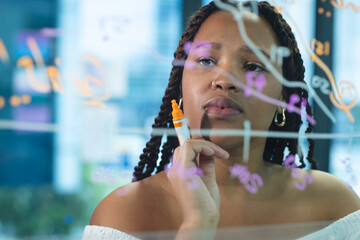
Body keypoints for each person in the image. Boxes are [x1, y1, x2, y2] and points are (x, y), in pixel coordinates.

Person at [83, 0, 360, 239]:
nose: (225, 81)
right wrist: (197, 224)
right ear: (180, 88)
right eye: (205, 61)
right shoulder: (124, 213)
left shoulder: (335, 207)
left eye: (252, 66)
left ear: (283, 102)